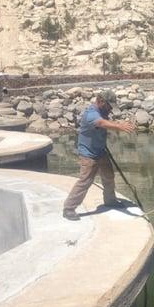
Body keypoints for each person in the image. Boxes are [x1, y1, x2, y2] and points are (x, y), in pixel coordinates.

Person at [63, 89, 135, 221]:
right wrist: (120, 126)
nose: (110, 109)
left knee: (108, 176)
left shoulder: (103, 111)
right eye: (109, 105)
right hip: (88, 154)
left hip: (101, 151)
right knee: (85, 181)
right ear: (101, 101)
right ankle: (69, 208)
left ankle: (110, 201)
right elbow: (101, 123)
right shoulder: (91, 114)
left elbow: (103, 124)